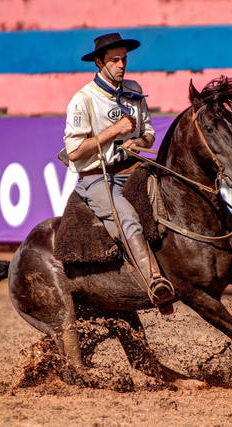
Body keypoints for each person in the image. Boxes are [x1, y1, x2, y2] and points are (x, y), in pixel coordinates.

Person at [60, 32, 174, 314]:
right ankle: (155, 282)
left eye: (124, 59)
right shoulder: (83, 99)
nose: (122, 65)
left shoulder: (135, 88)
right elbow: (73, 152)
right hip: (97, 177)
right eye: (114, 60)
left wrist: (141, 141)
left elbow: (148, 132)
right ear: (99, 63)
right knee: (128, 218)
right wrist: (116, 131)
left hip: (133, 168)